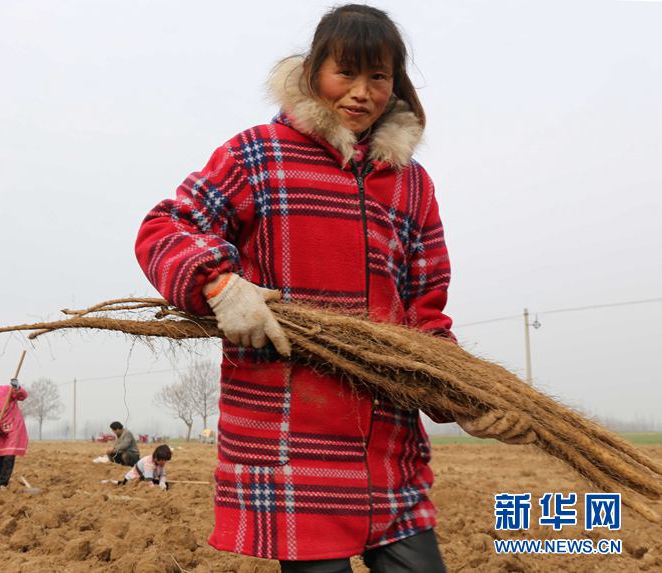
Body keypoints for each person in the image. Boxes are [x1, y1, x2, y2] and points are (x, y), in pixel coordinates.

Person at [135, 5, 534, 572]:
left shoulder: (412, 186)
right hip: (294, 442)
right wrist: (220, 286)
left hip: (387, 445)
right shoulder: (258, 154)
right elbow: (166, 227)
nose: (361, 92)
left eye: (379, 76)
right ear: (314, 70)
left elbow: (424, 316)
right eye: (345, 72)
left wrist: (464, 398)